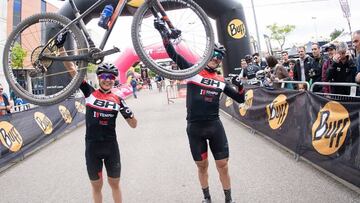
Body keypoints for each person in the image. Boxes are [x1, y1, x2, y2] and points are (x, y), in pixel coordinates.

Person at [155, 19, 245, 203]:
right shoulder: (193, 70)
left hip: (214, 126)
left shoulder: (221, 80)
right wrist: (163, 35)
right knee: (202, 166)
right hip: (195, 127)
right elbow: (173, 54)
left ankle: (229, 199)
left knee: (223, 166)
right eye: (214, 54)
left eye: (220, 57)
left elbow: (240, 99)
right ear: (207, 54)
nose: (216, 58)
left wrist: (240, 87)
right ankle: (207, 198)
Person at [57, 32, 137, 203]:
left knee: (115, 184)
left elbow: (134, 125)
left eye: (111, 77)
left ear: (114, 79)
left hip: (111, 148)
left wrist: (128, 113)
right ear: (99, 78)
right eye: (104, 77)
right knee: (97, 186)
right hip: (92, 148)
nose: (107, 80)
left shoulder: (118, 100)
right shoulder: (90, 93)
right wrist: (60, 48)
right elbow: (72, 69)